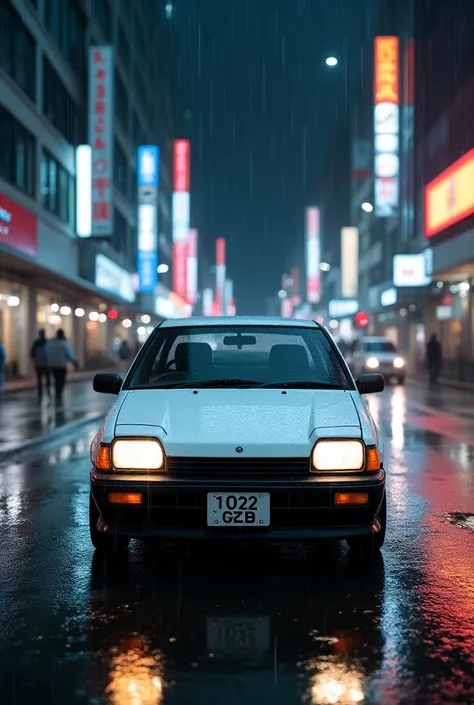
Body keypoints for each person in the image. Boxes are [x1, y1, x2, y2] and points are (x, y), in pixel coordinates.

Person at [45, 329, 79, 405]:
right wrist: (75, 362)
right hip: (61, 365)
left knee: (56, 379)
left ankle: (57, 393)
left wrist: (50, 360)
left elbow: (46, 352)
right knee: (61, 380)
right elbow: (69, 354)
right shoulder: (64, 344)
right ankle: (58, 394)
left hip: (53, 365)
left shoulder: (50, 343)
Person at [30, 329, 50, 399]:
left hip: (38, 363)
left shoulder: (36, 343)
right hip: (46, 363)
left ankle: (40, 391)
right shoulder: (47, 342)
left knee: (39, 379)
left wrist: (34, 361)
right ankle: (48, 391)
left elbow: (32, 354)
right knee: (47, 378)